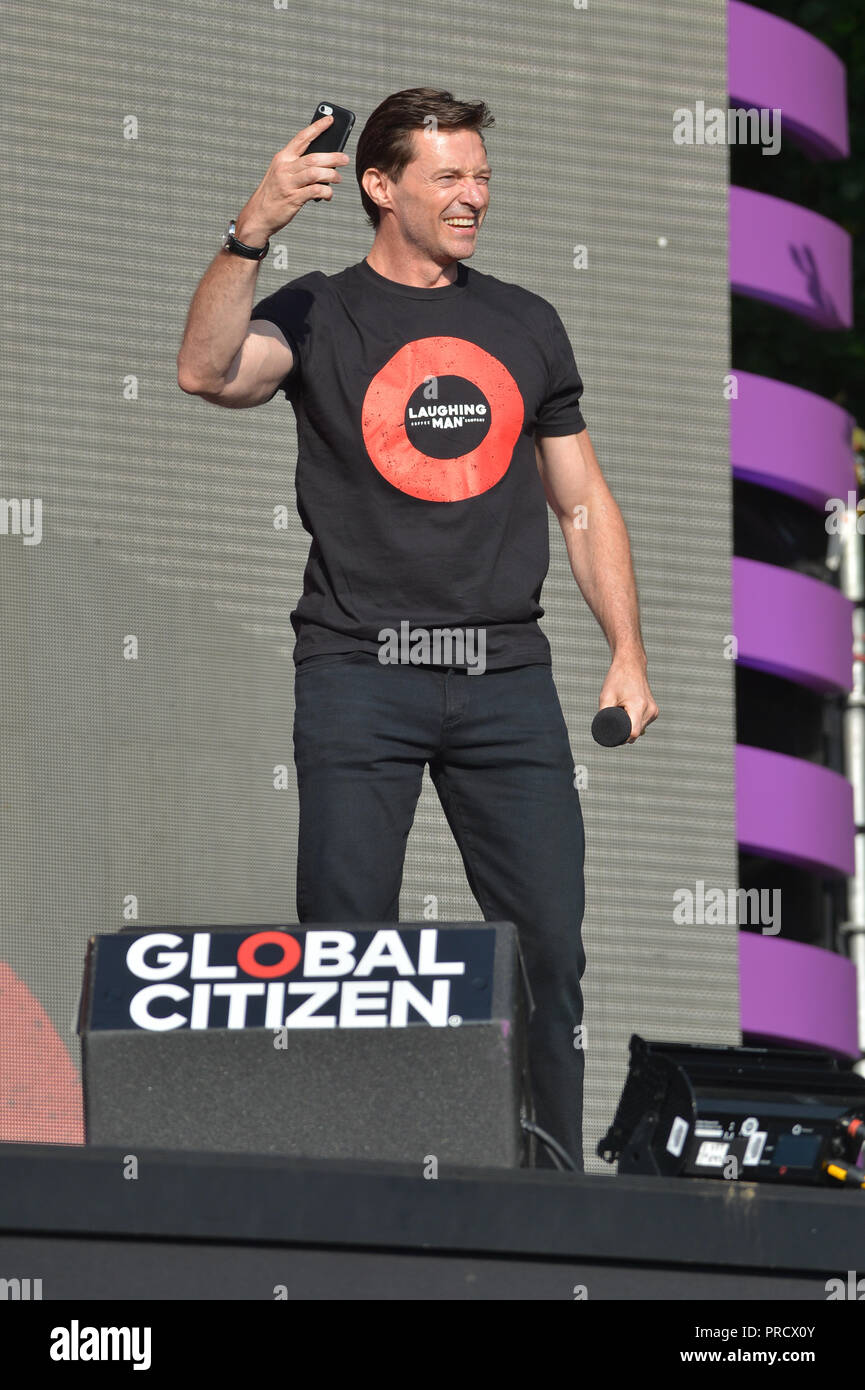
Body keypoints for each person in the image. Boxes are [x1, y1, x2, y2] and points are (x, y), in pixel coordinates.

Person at [177, 87, 659, 1170]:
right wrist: (248, 233)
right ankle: (364, 1185)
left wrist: (626, 651)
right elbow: (205, 371)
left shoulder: (525, 321)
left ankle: (545, 1190)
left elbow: (580, 502)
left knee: (548, 949)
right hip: (359, 671)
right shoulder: (316, 310)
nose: (474, 195)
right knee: (348, 947)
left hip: (505, 676)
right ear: (379, 186)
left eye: (481, 175)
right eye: (449, 177)